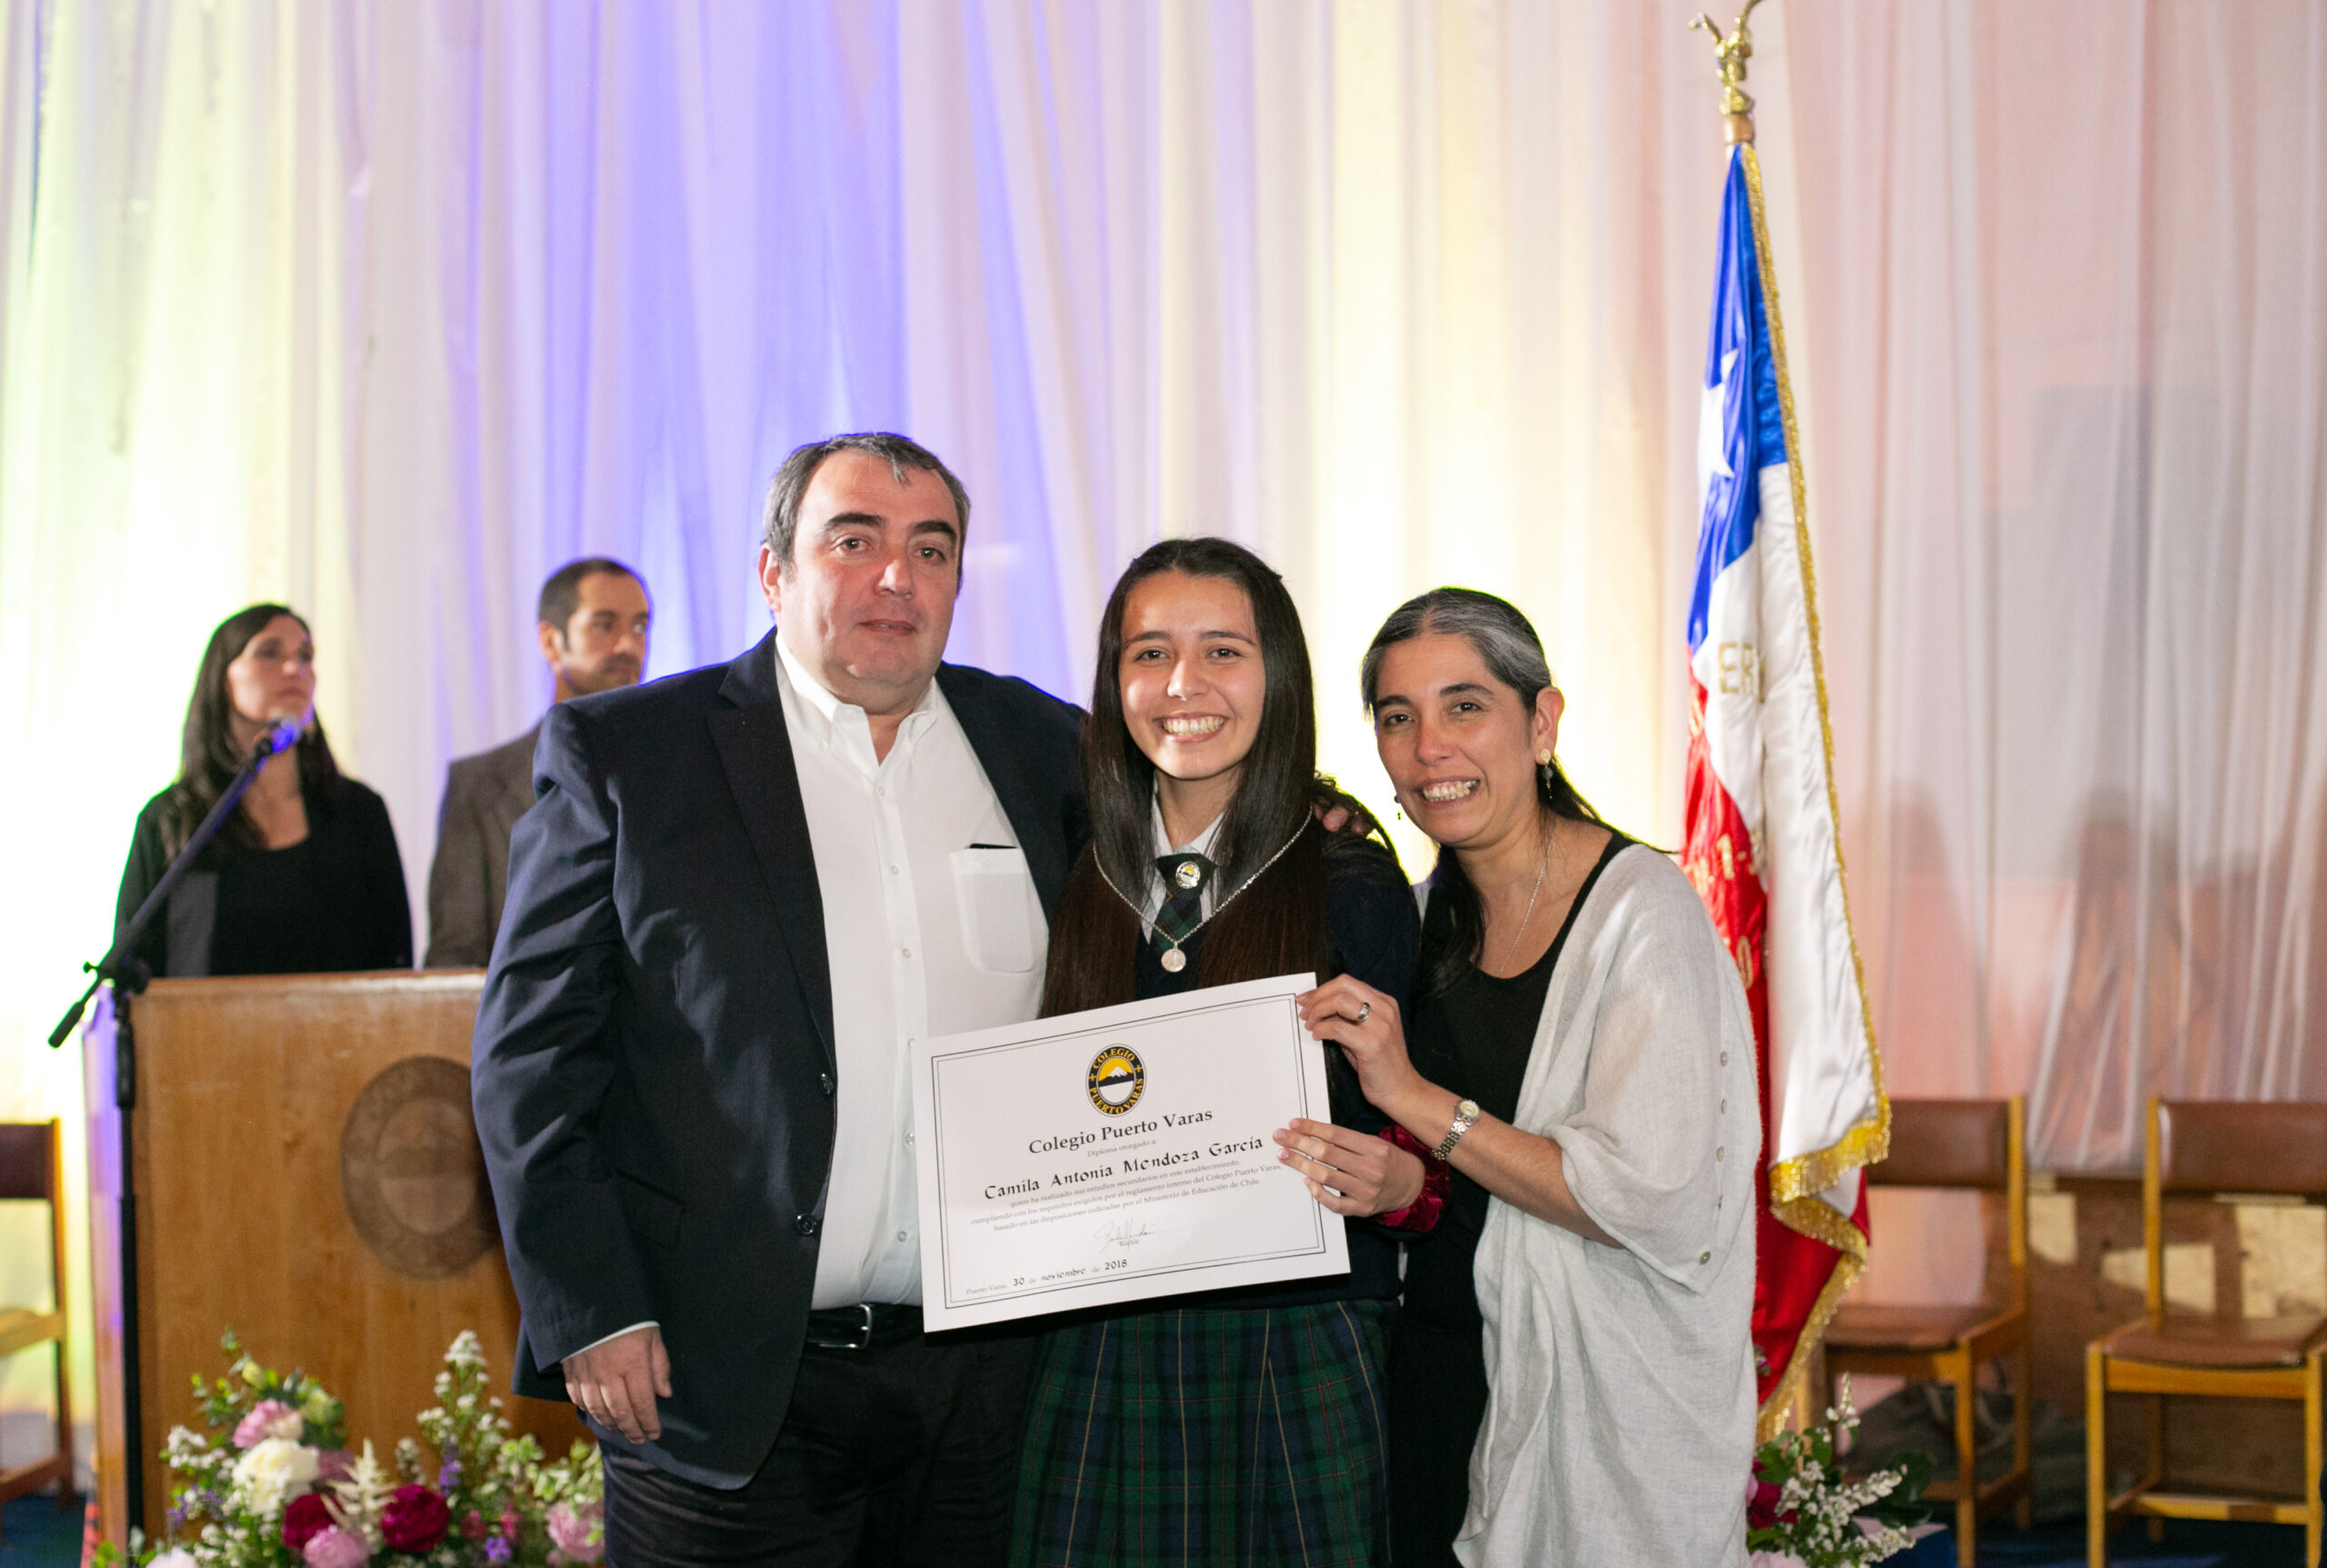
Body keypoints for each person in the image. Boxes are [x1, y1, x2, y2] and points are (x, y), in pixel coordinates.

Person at [470, 434, 1084, 1567]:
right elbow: (529, 1064)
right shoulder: (632, 754)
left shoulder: (1045, 748)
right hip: (715, 1387)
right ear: (773, 572)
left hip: (984, 1393)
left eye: (931, 549)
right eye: (853, 541)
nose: (896, 577)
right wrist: (592, 1307)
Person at [1300, 588, 1756, 1567]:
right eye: (1397, 717)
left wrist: (1414, 1098)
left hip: (1599, 1393)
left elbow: (1640, 1198)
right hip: (1437, 1369)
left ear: (1541, 721)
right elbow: (1422, 1182)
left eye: (1464, 706)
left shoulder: (1643, 918)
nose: (1430, 747)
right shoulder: (1411, 919)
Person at [1013, 538, 1433, 1568]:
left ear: (1277, 675)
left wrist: (1400, 1183)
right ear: (1113, 681)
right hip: (1097, 1338)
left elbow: (1422, 1146)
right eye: (1150, 653)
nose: (1182, 686)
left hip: (1298, 1341)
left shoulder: (1350, 882)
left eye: (1223, 652)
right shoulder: (1069, 869)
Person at [115, 604, 411, 977]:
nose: (294, 669)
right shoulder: (173, 818)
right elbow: (136, 966)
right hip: (202, 1018)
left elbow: (393, 961)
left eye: (305, 656)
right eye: (269, 653)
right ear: (223, 679)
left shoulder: (359, 813)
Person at [424, 557, 652, 966]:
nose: (628, 646)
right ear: (550, 641)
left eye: (639, 627)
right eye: (604, 625)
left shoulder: (673, 772)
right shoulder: (478, 786)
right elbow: (454, 960)